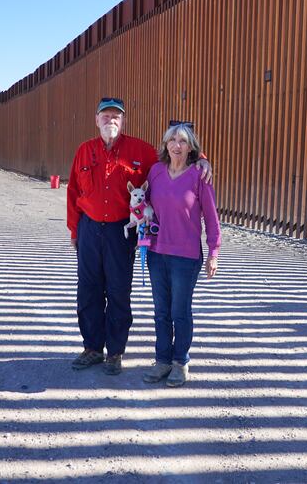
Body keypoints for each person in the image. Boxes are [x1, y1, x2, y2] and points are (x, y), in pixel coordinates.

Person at [66, 98, 211, 375]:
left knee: (119, 290)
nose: (111, 121)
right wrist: (75, 230)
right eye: (106, 116)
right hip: (89, 228)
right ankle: (92, 348)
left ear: (123, 121)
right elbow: (73, 192)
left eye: (116, 117)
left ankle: (115, 352)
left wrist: (202, 160)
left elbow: (176, 155)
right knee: (88, 290)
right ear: (96, 120)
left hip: (121, 231)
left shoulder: (141, 150)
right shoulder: (84, 151)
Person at [142, 120, 220, 387]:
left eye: (183, 141)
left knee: (180, 311)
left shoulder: (199, 176)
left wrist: (214, 252)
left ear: (191, 148)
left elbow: (211, 217)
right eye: (172, 140)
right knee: (161, 310)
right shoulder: (155, 172)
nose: (177, 145)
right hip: (156, 252)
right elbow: (145, 204)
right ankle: (162, 360)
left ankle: (180, 362)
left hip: (185, 257)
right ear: (165, 144)